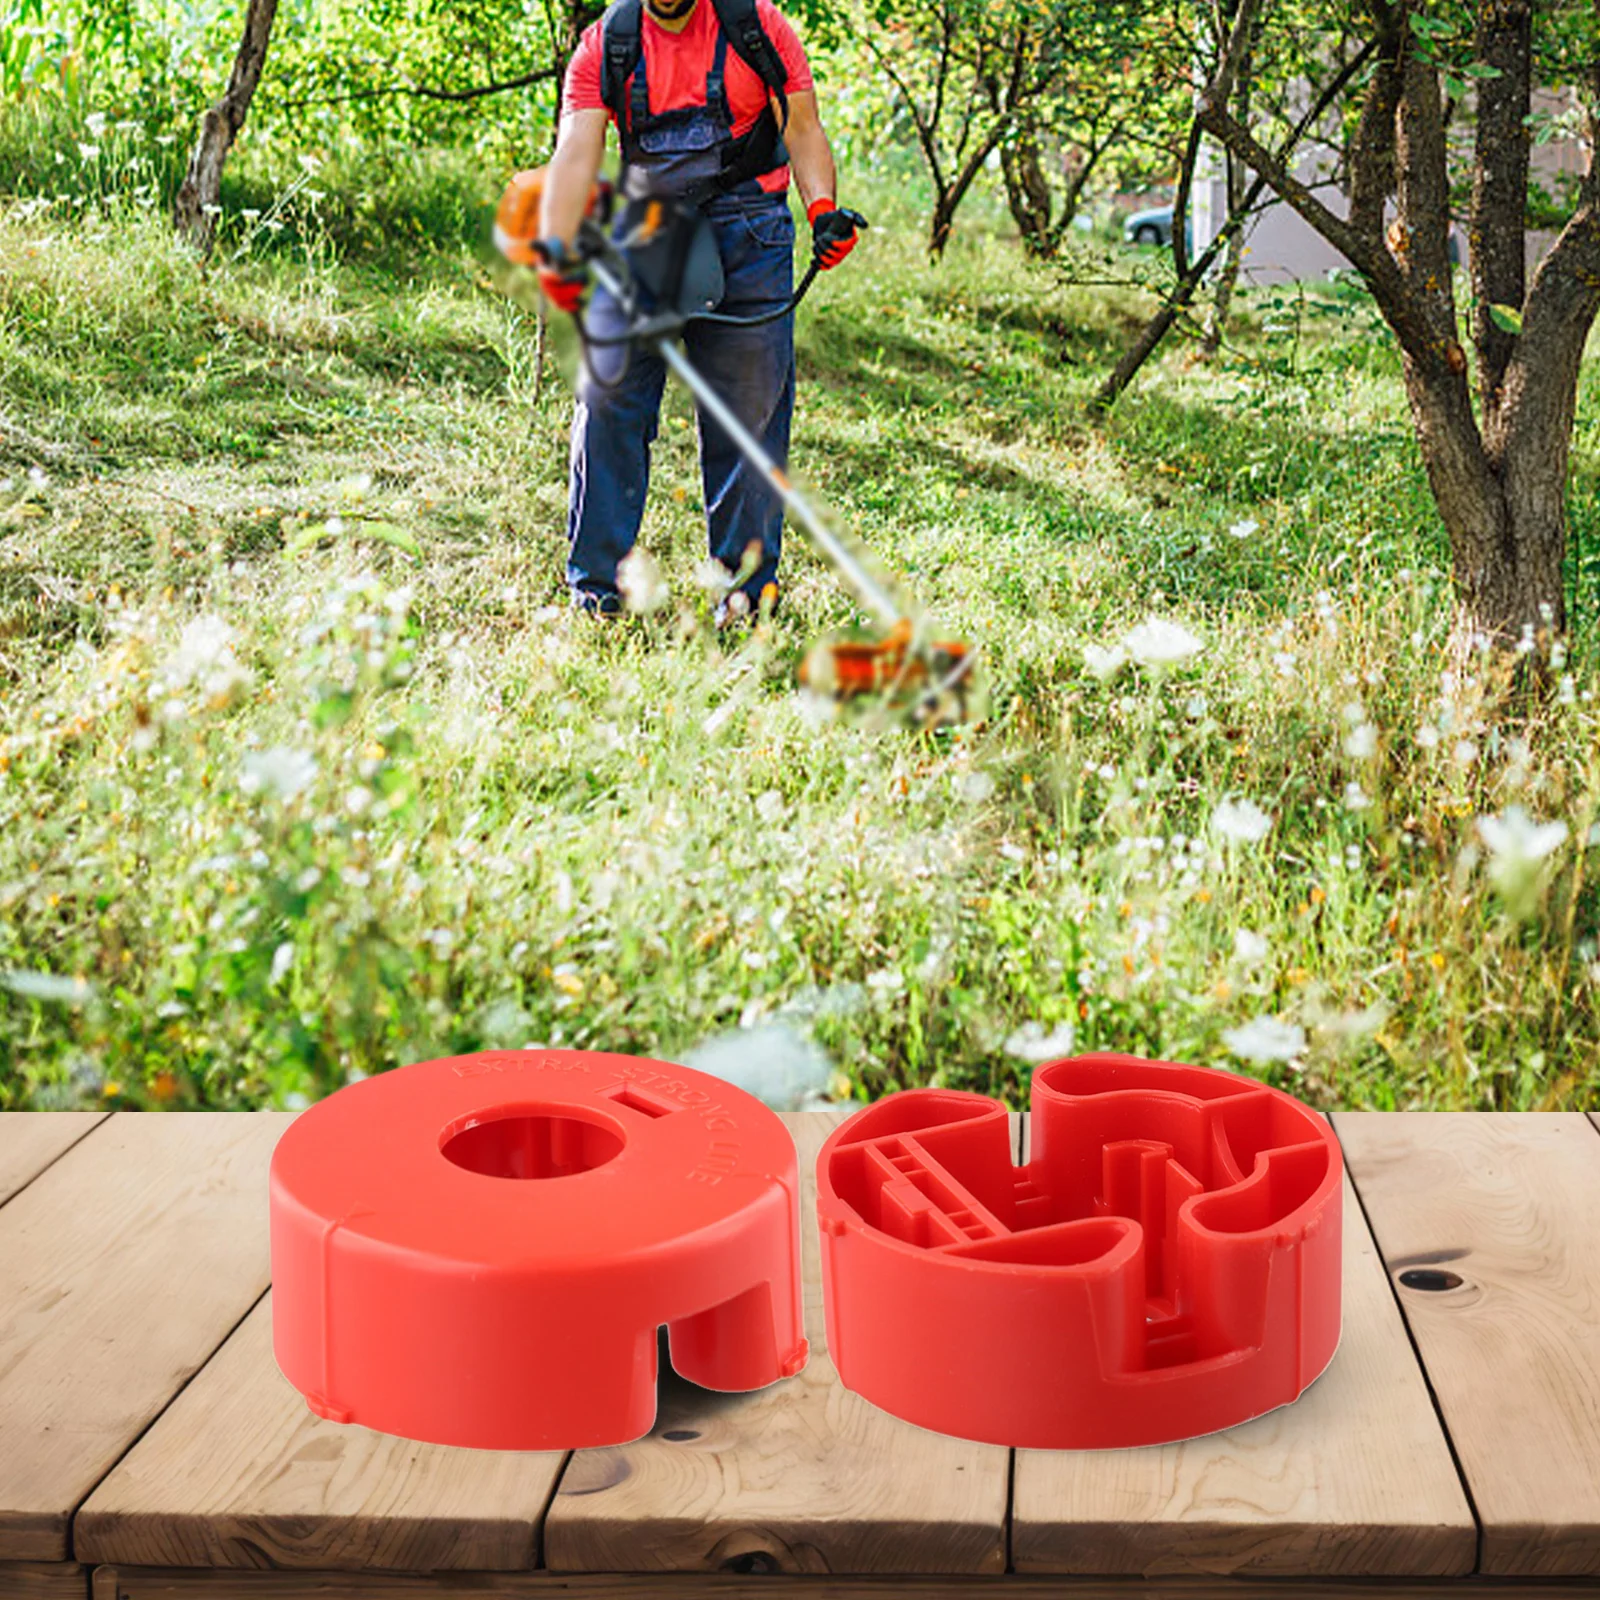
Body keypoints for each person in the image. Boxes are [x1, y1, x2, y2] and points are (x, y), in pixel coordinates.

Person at [535, 0, 860, 619]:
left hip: (751, 234)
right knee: (607, 401)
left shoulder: (756, 25)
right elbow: (577, 151)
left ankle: (744, 595)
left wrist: (822, 209)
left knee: (749, 419)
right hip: (647, 234)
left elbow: (802, 128)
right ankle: (597, 593)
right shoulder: (608, 43)